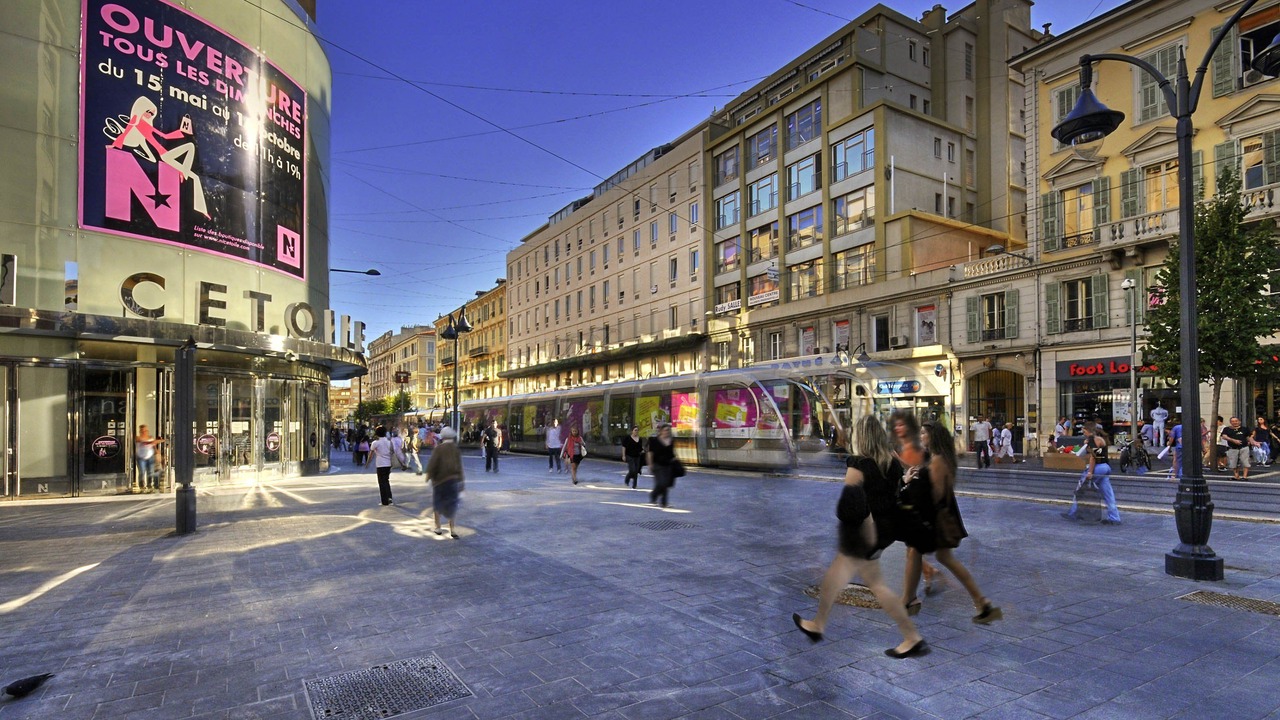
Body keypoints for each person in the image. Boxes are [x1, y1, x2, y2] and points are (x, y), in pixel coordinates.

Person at [792, 415, 928, 659]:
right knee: (848, 579)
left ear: (861, 437)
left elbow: (850, 504)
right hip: (886, 531)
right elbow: (894, 494)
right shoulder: (892, 463)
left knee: (869, 584)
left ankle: (912, 637)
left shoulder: (859, 463)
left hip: (864, 533)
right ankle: (818, 624)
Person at [900, 422, 1003, 624]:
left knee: (916, 551)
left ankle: (908, 599)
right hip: (939, 518)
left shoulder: (939, 461)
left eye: (923, 433)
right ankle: (982, 603)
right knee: (939, 556)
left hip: (935, 520)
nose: (920, 436)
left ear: (934, 437)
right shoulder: (938, 459)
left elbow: (935, 495)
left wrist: (908, 483)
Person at [889, 410, 942, 597]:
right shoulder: (927, 453)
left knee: (912, 549)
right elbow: (917, 471)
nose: (920, 436)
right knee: (911, 549)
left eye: (923, 433)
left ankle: (909, 594)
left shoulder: (934, 455)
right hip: (919, 502)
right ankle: (928, 573)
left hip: (924, 505)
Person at [1062, 421, 1121, 524]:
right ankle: (1115, 518)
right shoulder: (1099, 439)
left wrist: (1089, 472)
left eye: (1084, 431)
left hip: (1098, 467)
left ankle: (1073, 513)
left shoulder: (1093, 440)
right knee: (1108, 494)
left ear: (1088, 431)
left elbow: (1093, 458)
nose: (1083, 433)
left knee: (1080, 489)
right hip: (1106, 467)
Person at [425, 427, 465, 539]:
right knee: (451, 504)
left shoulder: (439, 448)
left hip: (439, 481)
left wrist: (428, 477)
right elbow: (459, 466)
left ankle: (438, 527)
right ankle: (452, 529)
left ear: (442, 436)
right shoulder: (456, 449)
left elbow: (432, 464)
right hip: (453, 480)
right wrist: (461, 481)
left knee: (438, 503)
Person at [646, 423, 677, 508]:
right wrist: (650, 465)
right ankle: (653, 495)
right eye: (666, 430)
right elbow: (650, 454)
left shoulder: (671, 441)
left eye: (669, 430)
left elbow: (672, 453)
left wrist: (675, 461)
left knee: (666, 484)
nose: (667, 432)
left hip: (668, 465)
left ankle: (664, 503)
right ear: (661, 431)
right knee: (661, 483)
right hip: (657, 465)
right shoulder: (654, 441)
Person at [365, 426, 395, 506]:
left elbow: (370, 455)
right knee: (386, 481)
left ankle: (384, 501)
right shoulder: (389, 442)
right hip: (388, 464)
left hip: (380, 464)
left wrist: (367, 463)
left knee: (381, 482)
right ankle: (390, 498)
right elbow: (392, 453)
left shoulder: (375, 443)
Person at [135, 424, 164, 491]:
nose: (144, 432)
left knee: (150, 472)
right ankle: (142, 486)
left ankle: (149, 485)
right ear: (140, 431)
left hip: (150, 457)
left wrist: (157, 453)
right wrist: (156, 441)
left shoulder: (150, 437)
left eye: (145, 430)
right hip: (141, 458)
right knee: (142, 472)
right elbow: (146, 442)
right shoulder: (138, 438)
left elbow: (154, 447)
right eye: (143, 430)